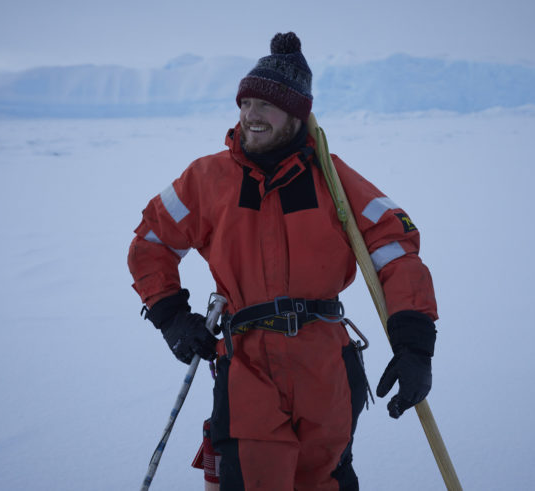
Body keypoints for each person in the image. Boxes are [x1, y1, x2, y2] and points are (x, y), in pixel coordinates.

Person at [128, 32, 438, 491]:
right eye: (245, 103)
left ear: (297, 114)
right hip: (247, 365)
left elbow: (395, 249)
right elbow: (151, 242)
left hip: (326, 366)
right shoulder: (207, 179)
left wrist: (414, 345)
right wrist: (172, 316)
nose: (251, 116)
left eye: (265, 106)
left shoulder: (333, 180)